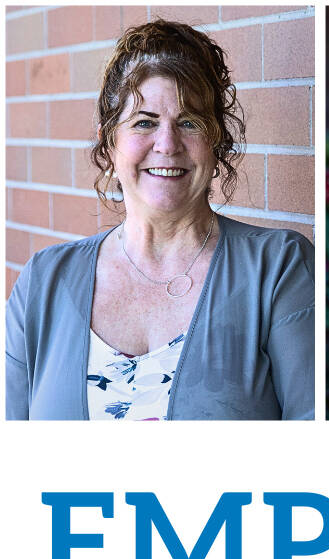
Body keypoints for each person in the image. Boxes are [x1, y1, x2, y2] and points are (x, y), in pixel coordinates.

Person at [5, 20, 313, 420]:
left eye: (189, 123)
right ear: (109, 142)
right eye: (144, 122)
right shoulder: (42, 282)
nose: (167, 144)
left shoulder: (277, 269)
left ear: (216, 141)